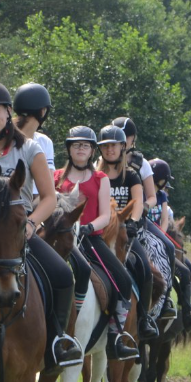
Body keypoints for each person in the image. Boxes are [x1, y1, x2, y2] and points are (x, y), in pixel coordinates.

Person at [0, 81, 82, 371]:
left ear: (7, 112)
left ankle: (56, 343)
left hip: (20, 229)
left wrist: (30, 223)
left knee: (63, 275)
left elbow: (50, 198)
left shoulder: (30, 149)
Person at [54, 126, 138, 360]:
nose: (80, 149)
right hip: (58, 238)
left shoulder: (100, 179)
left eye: (85, 145)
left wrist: (90, 227)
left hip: (88, 238)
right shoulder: (56, 176)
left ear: (92, 150)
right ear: (69, 149)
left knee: (122, 279)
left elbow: (104, 214)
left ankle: (116, 335)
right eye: (76, 145)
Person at [96, 124, 160, 342]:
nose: (109, 150)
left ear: (123, 147)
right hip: (101, 232)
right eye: (105, 146)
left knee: (144, 268)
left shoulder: (131, 175)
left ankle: (143, 317)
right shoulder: (97, 175)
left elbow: (138, 202)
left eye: (113, 146)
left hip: (127, 233)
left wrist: (132, 222)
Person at [149, 158, 191, 325]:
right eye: (165, 181)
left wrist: (160, 237)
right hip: (145, 239)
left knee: (187, 270)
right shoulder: (142, 194)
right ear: (159, 179)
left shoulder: (163, 198)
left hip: (160, 239)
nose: (166, 185)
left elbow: (165, 222)